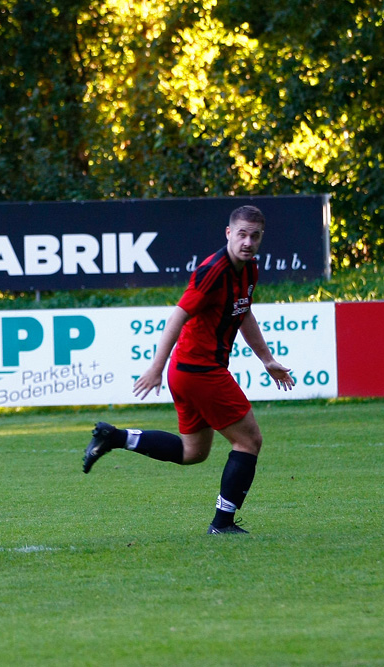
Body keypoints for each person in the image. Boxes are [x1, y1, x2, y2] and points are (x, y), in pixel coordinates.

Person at [82, 205, 295, 534]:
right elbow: (177, 316)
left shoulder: (249, 269)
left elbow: (244, 313)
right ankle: (222, 524)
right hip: (200, 370)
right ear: (228, 233)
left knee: (192, 452)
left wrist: (266, 359)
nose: (247, 242)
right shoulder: (214, 270)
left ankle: (116, 437)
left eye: (254, 236)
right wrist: (155, 368)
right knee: (249, 440)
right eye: (241, 234)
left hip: (189, 372)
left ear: (261, 238)